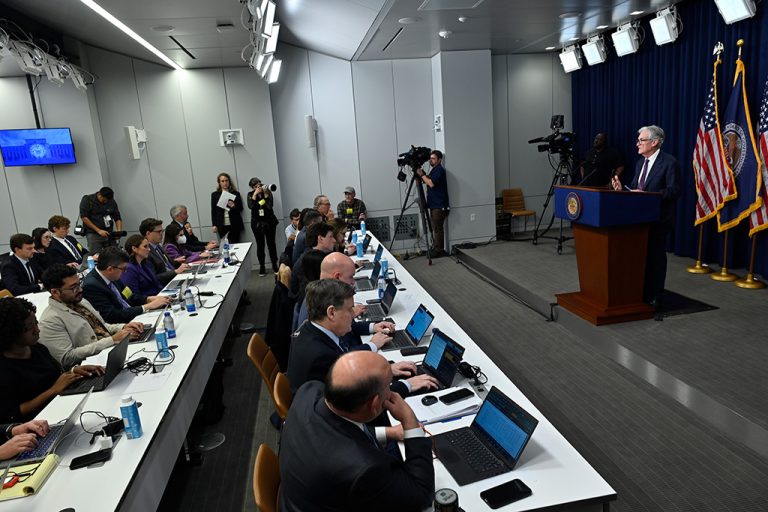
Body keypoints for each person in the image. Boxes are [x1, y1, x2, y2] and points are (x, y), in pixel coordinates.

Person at [280, 351, 435, 512]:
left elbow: (341, 431)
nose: (392, 391)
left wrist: (389, 432)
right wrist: (409, 421)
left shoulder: (308, 392)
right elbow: (422, 497)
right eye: (389, 386)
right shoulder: (367, 469)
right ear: (375, 404)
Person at [286, 279, 437, 395]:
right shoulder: (321, 355)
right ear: (331, 313)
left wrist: (387, 370)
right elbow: (361, 397)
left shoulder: (310, 329)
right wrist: (407, 385)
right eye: (350, 309)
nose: (354, 314)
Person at [0, 297, 105, 423]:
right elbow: (12, 414)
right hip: (40, 421)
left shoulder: (37, 348)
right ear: (11, 333)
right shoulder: (4, 369)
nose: (37, 330)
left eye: (36, 322)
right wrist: (53, 391)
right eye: (29, 328)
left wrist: (74, 371)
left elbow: (56, 375)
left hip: (62, 404)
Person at [611, 125, 681, 310]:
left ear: (655, 142)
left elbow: (674, 191)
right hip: (638, 220)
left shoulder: (669, 162)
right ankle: (640, 291)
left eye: (641, 140)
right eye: (638, 141)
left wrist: (647, 194)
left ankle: (657, 294)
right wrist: (621, 190)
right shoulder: (639, 163)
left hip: (658, 219)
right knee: (639, 256)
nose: (637, 144)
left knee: (655, 258)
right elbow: (635, 188)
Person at [38, 264, 143, 369]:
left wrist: (123, 327)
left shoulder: (80, 301)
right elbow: (67, 358)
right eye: (73, 288)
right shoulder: (50, 320)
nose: (80, 290)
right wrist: (112, 340)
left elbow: (101, 326)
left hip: (110, 352)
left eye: (79, 284)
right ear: (55, 292)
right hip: (92, 367)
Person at [81, 247, 171, 323]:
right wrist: (146, 307)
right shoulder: (92, 286)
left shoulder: (113, 276)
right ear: (110, 269)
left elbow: (129, 296)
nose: (125, 272)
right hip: (123, 325)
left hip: (134, 316)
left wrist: (149, 299)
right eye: (123, 269)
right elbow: (112, 316)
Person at [416, 150, 450, 257]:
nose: (431, 160)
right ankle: (437, 248)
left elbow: (431, 183)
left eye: (433, 158)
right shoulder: (434, 170)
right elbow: (428, 180)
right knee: (436, 228)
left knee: (437, 229)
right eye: (430, 158)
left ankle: (439, 250)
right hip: (434, 205)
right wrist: (424, 176)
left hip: (439, 206)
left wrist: (421, 175)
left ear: (439, 160)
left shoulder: (439, 170)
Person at [139, 218, 190, 286]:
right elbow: (154, 277)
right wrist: (175, 271)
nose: (162, 234)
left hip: (174, 278)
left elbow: (166, 265)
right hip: (165, 285)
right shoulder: (145, 252)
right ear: (148, 233)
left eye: (162, 231)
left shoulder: (158, 246)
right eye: (158, 231)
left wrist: (176, 262)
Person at [247, 177, 279, 276]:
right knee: (260, 245)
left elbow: (269, 206)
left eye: (259, 185)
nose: (258, 187)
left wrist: (265, 195)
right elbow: (251, 206)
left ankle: (274, 265)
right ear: (252, 188)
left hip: (269, 222)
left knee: (271, 244)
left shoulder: (268, 192)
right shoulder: (250, 195)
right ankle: (262, 266)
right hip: (257, 224)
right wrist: (255, 194)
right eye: (255, 186)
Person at [79, 186, 122, 253]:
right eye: (104, 200)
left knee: (113, 254)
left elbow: (117, 217)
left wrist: (119, 231)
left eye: (107, 201)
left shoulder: (111, 201)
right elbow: (84, 217)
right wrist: (98, 230)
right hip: (94, 234)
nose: (105, 202)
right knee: (96, 255)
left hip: (109, 233)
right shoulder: (88, 200)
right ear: (99, 194)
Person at [210, 172, 244, 243]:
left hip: (234, 224)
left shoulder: (235, 193)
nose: (225, 183)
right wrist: (214, 225)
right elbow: (213, 211)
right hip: (221, 225)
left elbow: (240, 209)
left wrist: (233, 206)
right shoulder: (215, 195)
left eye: (226, 180)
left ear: (229, 181)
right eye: (222, 181)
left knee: (236, 244)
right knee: (225, 246)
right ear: (219, 183)